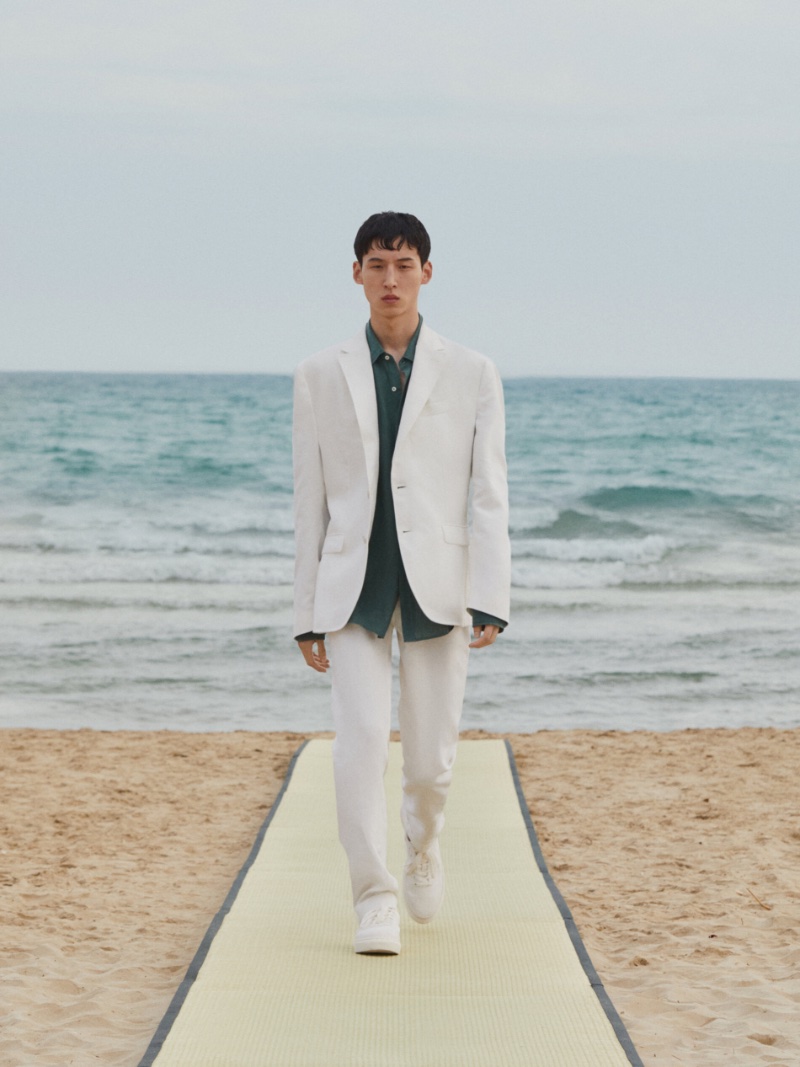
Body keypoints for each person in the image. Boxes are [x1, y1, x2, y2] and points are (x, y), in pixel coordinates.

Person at [292, 211, 510, 955]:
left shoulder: (472, 371)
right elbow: (309, 500)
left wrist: (491, 594)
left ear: (426, 273)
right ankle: (374, 898)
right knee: (358, 744)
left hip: (438, 584)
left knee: (430, 760)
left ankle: (424, 840)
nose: (391, 279)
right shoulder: (319, 374)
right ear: (357, 273)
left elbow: (490, 493)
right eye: (377, 264)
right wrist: (304, 611)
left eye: (404, 264)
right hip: (351, 586)